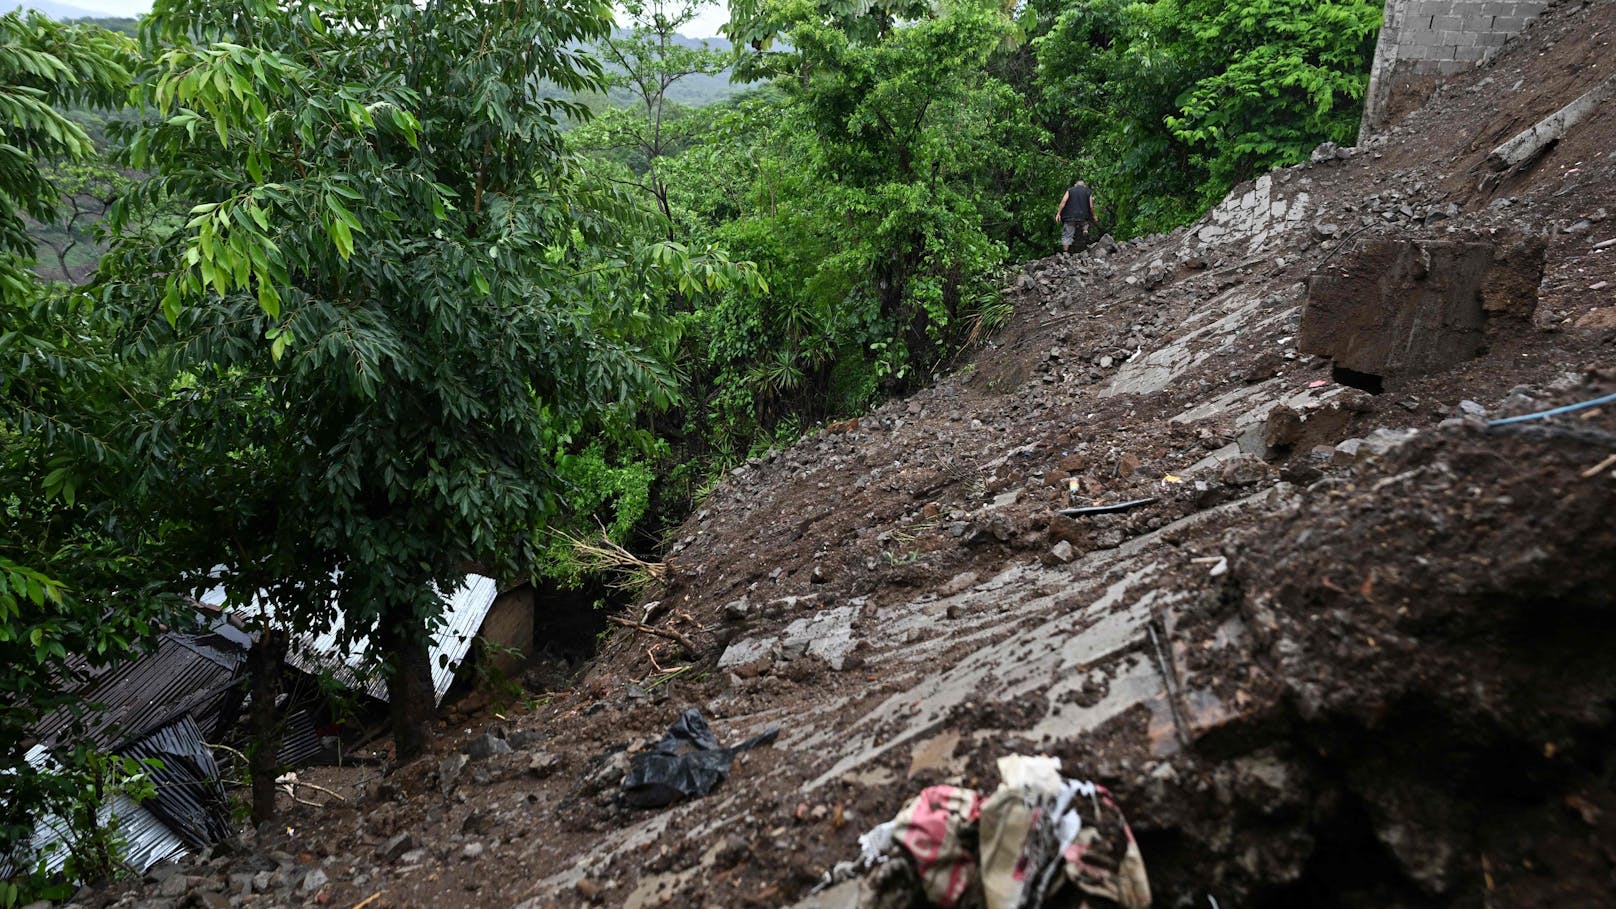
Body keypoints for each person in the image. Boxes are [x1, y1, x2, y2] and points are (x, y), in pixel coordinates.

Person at [1055, 179, 1096, 254]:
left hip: (1069, 217)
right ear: (1084, 185)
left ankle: (1065, 253)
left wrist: (1058, 213)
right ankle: (1085, 230)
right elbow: (1091, 206)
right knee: (1085, 223)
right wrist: (1094, 215)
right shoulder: (1088, 191)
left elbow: (1063, 201)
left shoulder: (1070, 190)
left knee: (1067, 235)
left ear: (1075, 185)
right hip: (1083, 216)